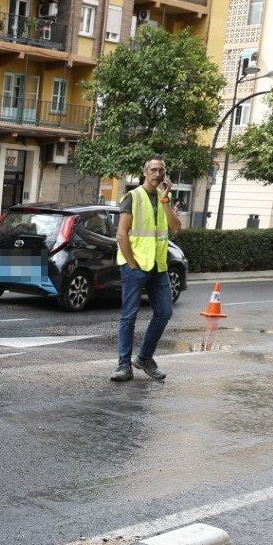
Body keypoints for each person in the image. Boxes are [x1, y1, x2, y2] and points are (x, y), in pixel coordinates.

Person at [111, 156, 184, 382]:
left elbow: (176, 228)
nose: (158, 174)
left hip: (158, 265)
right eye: (153, 169)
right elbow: (122, 234)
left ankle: (144, 358)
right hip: (135, 266)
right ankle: (124, 366)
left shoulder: (164, 198)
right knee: (129, 316)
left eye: (161, 170)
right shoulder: (132, 197)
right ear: (145, 172)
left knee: (164, 312)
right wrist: (132, 263)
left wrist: (165, 201)